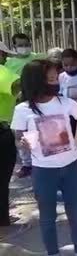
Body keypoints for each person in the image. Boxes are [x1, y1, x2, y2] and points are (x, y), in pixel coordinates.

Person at [10, 60, 77, 256]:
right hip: (43, 171)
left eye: (56, 78)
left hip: (70, 167)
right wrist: (23, 143)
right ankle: (52, 252)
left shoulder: (65, 102)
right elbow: (18, 137)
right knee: (47, 217)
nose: (55, 82)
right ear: (36, 82)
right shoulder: (22, 110)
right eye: (51, 79)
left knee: (76, 215)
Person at [7, 34, 42, 178]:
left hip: (36, 101)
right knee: (20, 133)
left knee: (38, 131)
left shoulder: (38, 58)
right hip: (18, 103)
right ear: (14, 47)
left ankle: (38, 161)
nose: (24, 48)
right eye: (20, 45)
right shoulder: (9, 63)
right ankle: (26, 164)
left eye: (26, 44)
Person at [0, 42, 20, 230]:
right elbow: (17, 85)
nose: (6, 59)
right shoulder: (2, 72)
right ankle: (3, 222)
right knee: (2, 177)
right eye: (3, 55)